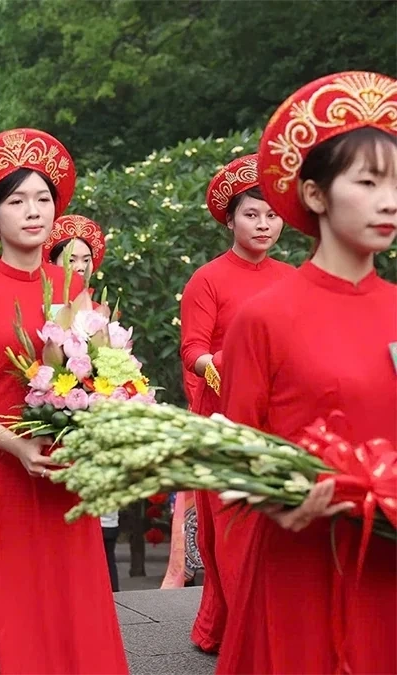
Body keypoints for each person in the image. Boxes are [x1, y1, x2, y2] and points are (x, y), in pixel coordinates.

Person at [0, 129, 128, 674]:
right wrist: (16, 446)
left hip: (64, 473)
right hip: (1, 476)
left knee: (66, 611)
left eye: (43, 199)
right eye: (16, 201)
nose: (32, 212)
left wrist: (103, 413)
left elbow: (103, 371)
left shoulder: (72, 288)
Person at [216, 70, 396, 675]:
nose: (388, 200)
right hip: (301, 563)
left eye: (395, 183)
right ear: (315, 195)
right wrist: (275, 501)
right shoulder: (265, 318)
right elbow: (232, 454)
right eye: (368, 183)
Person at [176, 153, 297, 650]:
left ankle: (278, 629)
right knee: (232, 533)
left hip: (281, 422)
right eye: (252, 214)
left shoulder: (293, 277)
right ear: (230, 219)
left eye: (272, 215)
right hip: (225, 423)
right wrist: (238, 362)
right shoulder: (207, 279)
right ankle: (238, 631)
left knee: (279, 530)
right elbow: (192, 353)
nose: (264, 224)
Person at [44, 215, 122, 593]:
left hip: (97, 417)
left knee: (103, 518)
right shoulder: (44, 307)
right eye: (71, 258)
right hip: (54, 419)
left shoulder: (100, 310)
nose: (80, 267)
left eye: (86, 259)